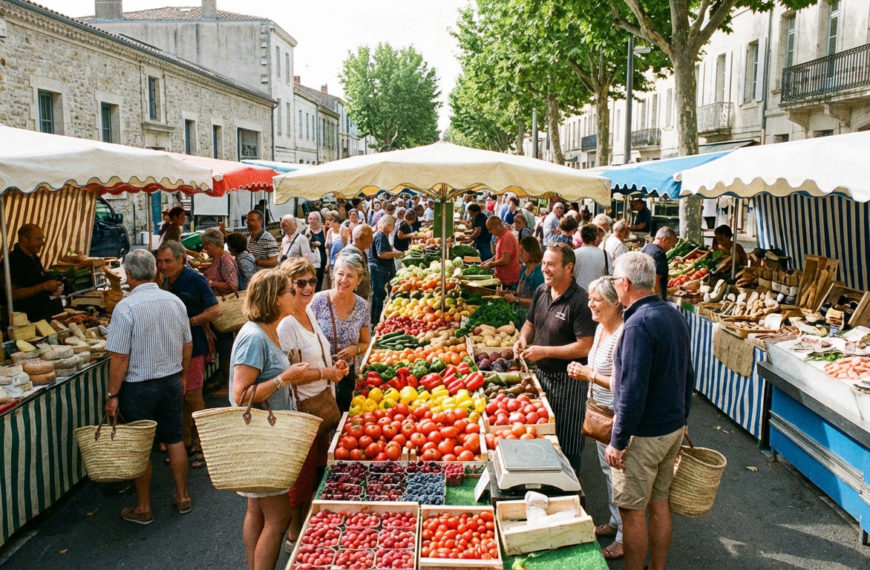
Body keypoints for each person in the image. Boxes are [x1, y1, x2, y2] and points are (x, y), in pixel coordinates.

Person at [606, 252, 693, 570]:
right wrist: (683, 417)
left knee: (632, 511)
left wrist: (618, 440)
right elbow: (688, 373)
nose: (614, 285)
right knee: (659, 503)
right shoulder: (672, 314)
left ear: (625, 283)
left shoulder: (638, 325)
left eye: (614, 279)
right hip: (670, 428)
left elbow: (632, 391)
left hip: (645, 434)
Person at [229, 269, 311, 570]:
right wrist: (285, 378)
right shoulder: (253, 336)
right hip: (262, 437)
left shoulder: (267, 330)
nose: (296, 294)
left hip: (265, 435)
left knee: (257, 510)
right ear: (274, 298)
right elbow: (240, 394)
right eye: (290, 290)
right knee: (279, 517)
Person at [104, 249, 193, 525]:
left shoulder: (126, 307)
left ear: (128, 275)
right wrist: (182, 374)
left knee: (140, 445)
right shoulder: (174, 301)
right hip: (169, 381)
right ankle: (182, 496)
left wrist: (112, 395)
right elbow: (187, 343)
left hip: (138, 386)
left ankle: (144, 507)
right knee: (175, 438)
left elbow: (119, 357)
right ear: (155, 271)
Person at [277, 258, 349, 553]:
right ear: (288, 286)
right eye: (301, 283)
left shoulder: (309, 313)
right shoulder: (286, 325)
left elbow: (317, 355)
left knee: (319, 468)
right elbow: (291, 375)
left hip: (322, 403)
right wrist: (326, 373)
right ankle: (294, 534)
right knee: (302, 476)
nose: (309, 287)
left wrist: (335, 365)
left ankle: (310, 524)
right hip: (303, 409)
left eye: (311, 280)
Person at [514, 244, 595, 476]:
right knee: (544, 438)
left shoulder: (580, 301)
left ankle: (573, 496)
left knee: (568, 444)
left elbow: (585, 346)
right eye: (544, 264)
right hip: (540, 378)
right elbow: (530, 324)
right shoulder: (541, 291)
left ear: (569, 267)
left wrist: (545, 351)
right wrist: (522, 339)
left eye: (551, 265)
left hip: (568, 382)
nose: (545, 269)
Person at [566, 277, 625, 560]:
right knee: (606, 471)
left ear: (615, 303)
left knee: (619, 475)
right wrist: (585, 370)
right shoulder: (601, 327)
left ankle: (625, 537)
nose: (590, 303)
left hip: (615, 416)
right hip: (598, 411)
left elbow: (623, 384)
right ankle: (615, 522)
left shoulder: (623, 336)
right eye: (589, 297)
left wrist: (589, 375)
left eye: (596, 299)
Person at [157, 241, 221, 470]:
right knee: (181, 398)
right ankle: (187, 444)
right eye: (160, 261)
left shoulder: (194, 279)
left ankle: (206, 450)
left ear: (181, 259)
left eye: (168, 261)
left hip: (193, 348)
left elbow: (216, 309)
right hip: (173, 348)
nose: (163, 266)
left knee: (193, 397)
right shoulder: (166, 280)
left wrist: (189, 322)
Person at [310, 255, 371, 412]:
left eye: (350, 276)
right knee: (322, 420)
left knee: (343, 416)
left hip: (346, 374)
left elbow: (366, 342)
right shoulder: (317, 301)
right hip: (319, 374)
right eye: (340, 274)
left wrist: (355, 350)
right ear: (333, 275)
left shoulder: (363, 307)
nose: (344, 280)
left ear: (359, 280)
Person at [8, 224, 63, 322]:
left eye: (42, 239)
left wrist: (55, 287)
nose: (43, 243)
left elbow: (38, 281)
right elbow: (13, 294)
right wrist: (44, 286)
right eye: (39, 239)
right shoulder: (12, 260)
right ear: (25, 239)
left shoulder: (34, 258)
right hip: (25, 320)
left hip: (42, 316)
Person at [368, 216, 403, 326]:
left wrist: (393, 250)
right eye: (393, 225)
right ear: (387, 225)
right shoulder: (380, 235)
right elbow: (381, 254)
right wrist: (396, 254)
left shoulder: (383, 235)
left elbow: (386, 249)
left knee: (379, 295)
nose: (393, 227)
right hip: (378, 270)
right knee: (378, 295)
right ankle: (375, 321)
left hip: (381, 270)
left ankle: (376, 320)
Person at [503, 236, 544, 322]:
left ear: (531, 252)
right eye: (519, 251)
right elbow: (524, 293)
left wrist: (516, 299)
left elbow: (538, 302)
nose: (519, 254)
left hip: (530, 319)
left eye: (522, 251)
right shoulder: (524, 269)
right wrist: (513, 294)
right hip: (519, 314)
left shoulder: (539, 274)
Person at [481, 217, 520, 290]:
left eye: (490, 229)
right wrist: (487, 261)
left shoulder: (507, 237)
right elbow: (498, 255)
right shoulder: (501, 236)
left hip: (509, 279)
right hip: (503, 278)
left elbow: (505, 260)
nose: (489, 232)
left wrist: (491, 264)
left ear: (497, 226)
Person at [338, 224, 373, 303]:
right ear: (360, 239)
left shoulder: (361, 252)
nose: (372, 240)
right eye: (370, 237)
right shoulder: (349, 254)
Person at [641, 226, 677, 299]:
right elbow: (656, 280)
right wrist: (659, 301)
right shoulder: (659, 254)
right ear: (664, 240)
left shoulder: (646, 247)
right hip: (652, 299)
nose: (671, 247)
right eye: (671, 244)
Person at [200, 228, 238, 295]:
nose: (205, 247)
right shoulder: (214, 258)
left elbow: (232, 286)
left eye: (207, 244)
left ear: (217, 244)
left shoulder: (225, 260)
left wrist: (211, 283)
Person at [574, 224, 610, 292]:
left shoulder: (574, 253)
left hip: (577, 293)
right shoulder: (604, 254)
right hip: (597, 292)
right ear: (596, 238)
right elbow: (609, 276)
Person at [305, 212, 328, 291]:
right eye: (310, 219)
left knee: (320, 282)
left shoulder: (324, 230)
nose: (312, 221)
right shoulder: (306, 231)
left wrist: (321, 244)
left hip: (322, 260)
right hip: (311, 261)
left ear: (318, 220)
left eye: (314, 219)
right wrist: (309, 241)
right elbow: (303, 245)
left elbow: (328, 243)